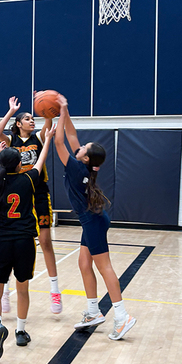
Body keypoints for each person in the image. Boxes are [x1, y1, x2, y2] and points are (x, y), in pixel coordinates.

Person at [53, 93, 136, 340]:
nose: (80, 146)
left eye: (84, 148)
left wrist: (57, 114)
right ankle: (93, 311)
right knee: (83, 263)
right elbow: (70, 135)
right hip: (94, 219)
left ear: (85, 158)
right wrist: (65, 110)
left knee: (105, 267)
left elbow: (59, 142)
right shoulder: (85, 164)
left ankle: (122, 317)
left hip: (93, 222)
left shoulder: (77, 168)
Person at [0, 138, 52, 362]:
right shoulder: (28, 179)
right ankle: (21, 331)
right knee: (22, 289)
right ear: (19, 165)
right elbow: (40, 161)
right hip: (24, 242)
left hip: (1, 244)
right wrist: (49, 139)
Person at [0, 96, 62, 315]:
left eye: (34, 118)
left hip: (38, 191)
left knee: (45, 241)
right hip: (17, 191)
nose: (32, 121)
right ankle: (4, 292)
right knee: (9, 242)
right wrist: (11, 110)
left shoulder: (39, 137)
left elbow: (48, 127)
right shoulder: (12, 140)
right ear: (19, 123)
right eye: (28, 118)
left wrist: (49, 111)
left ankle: (55, 291)